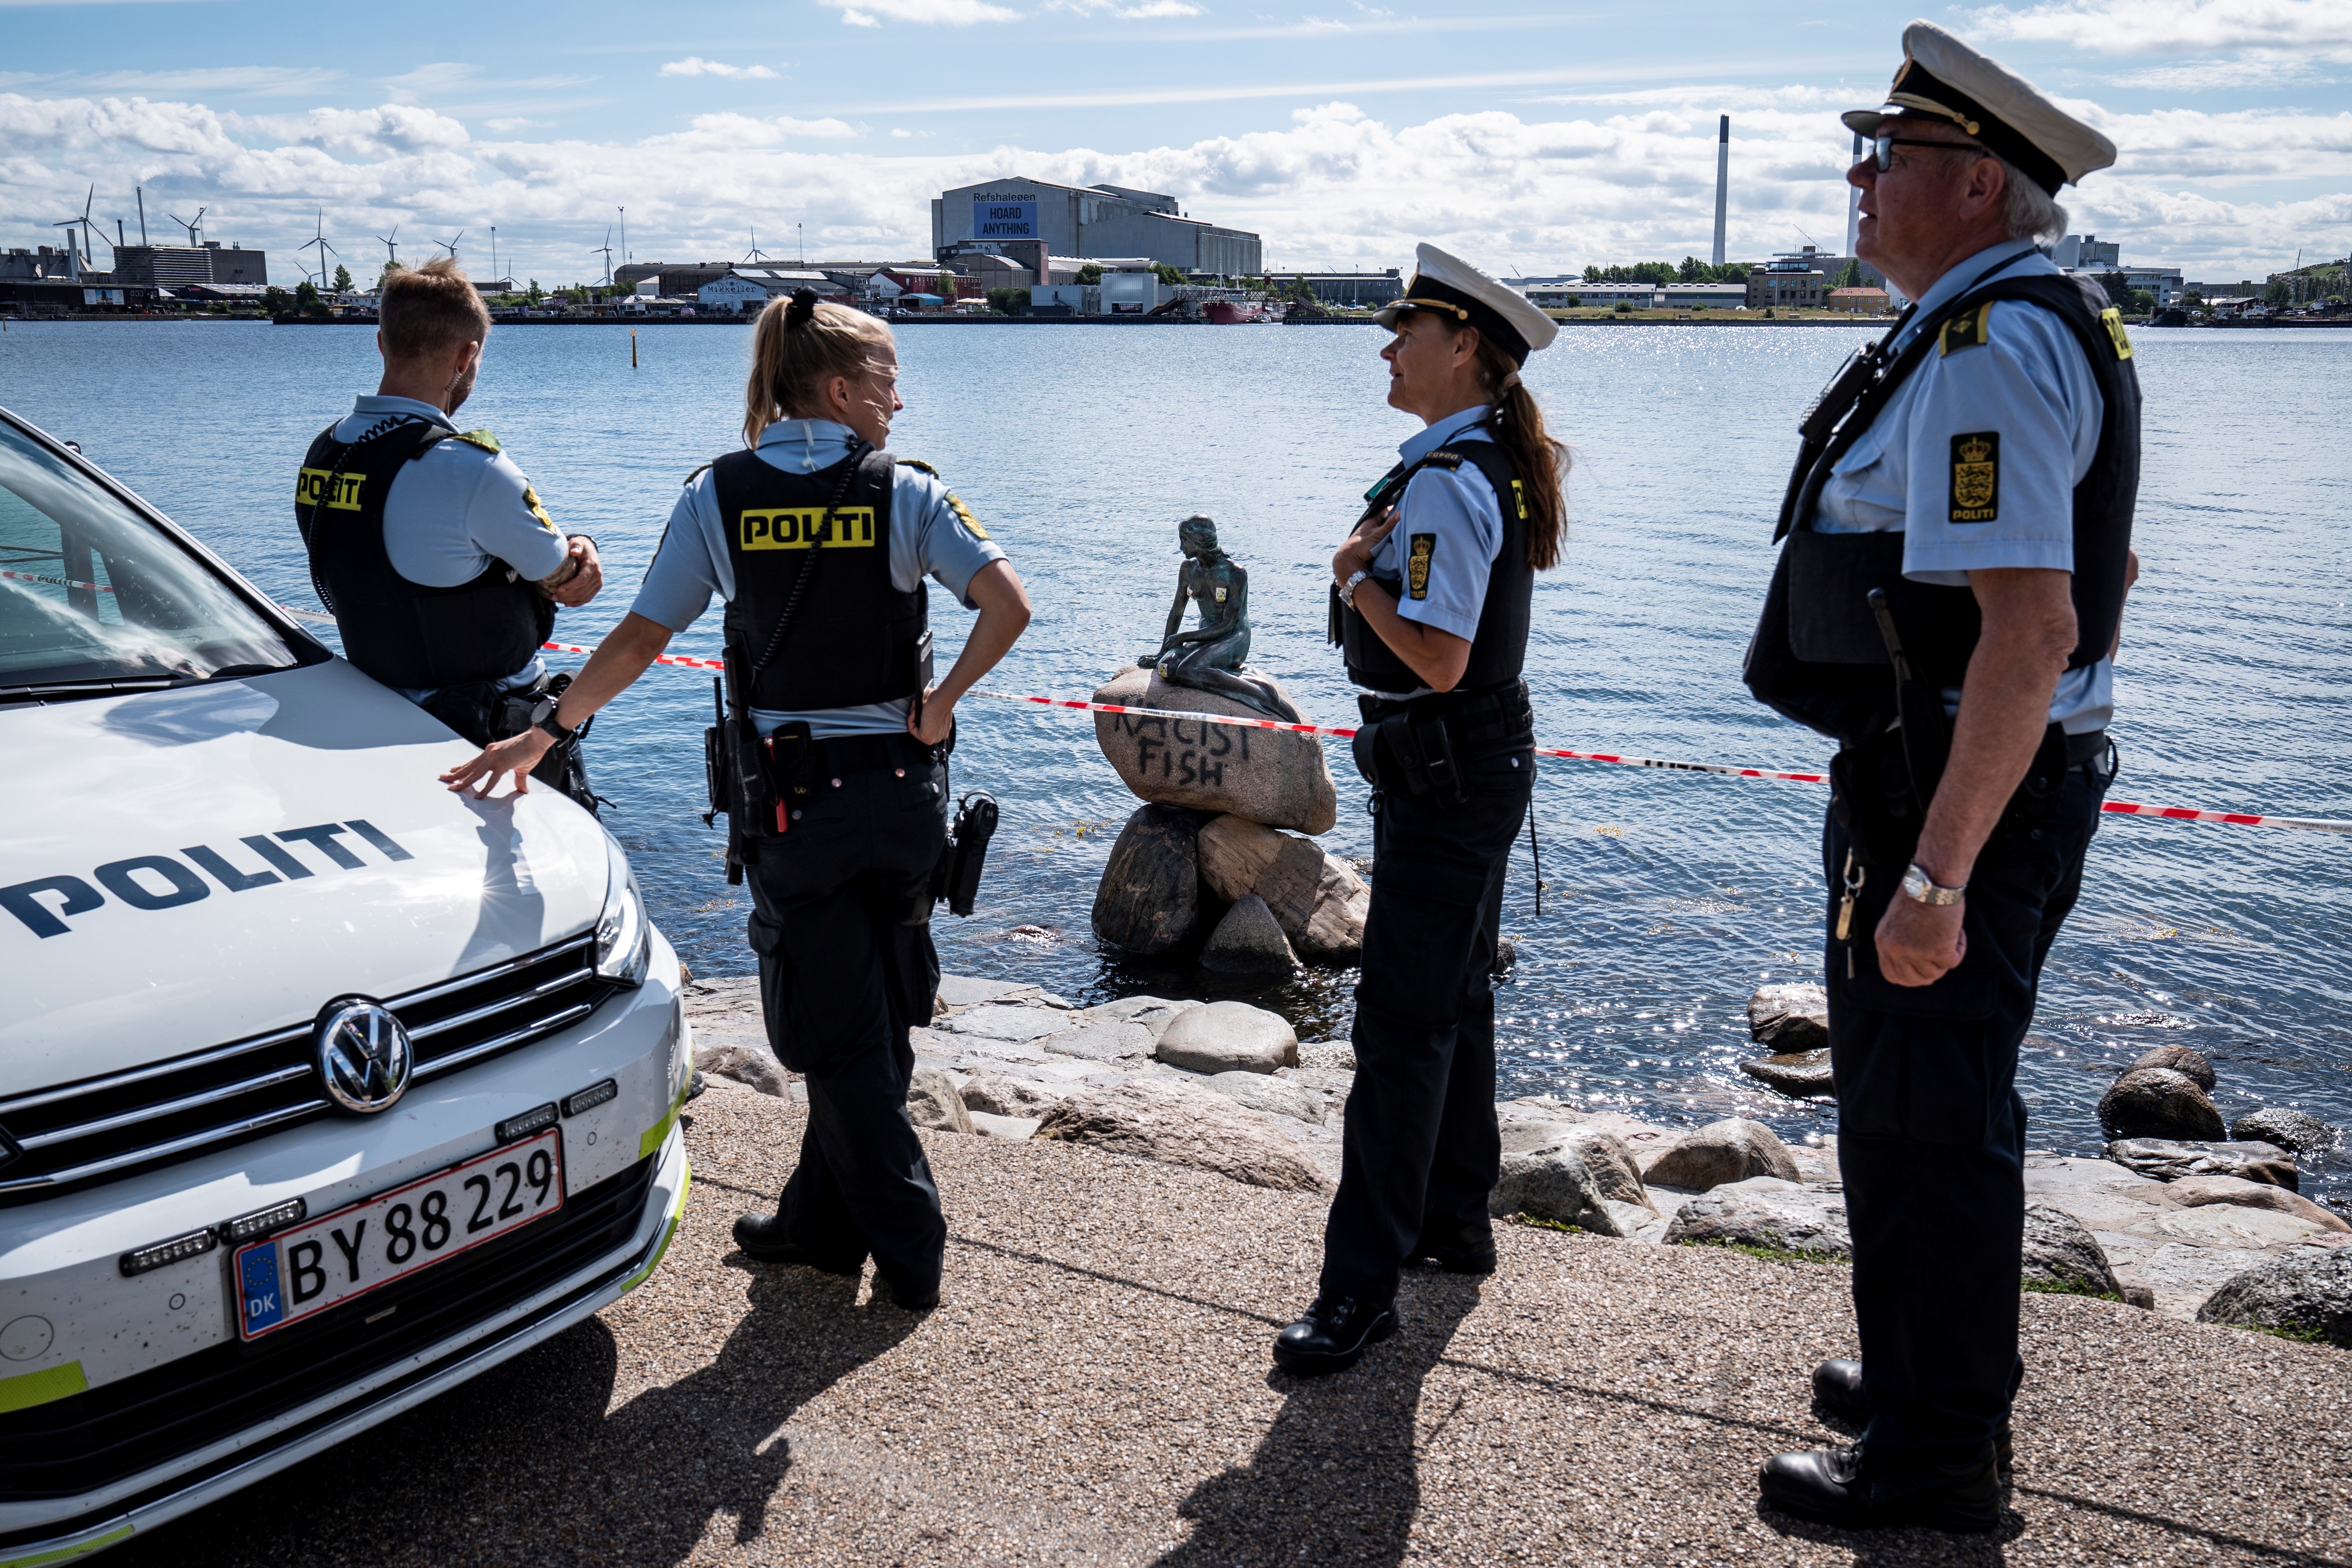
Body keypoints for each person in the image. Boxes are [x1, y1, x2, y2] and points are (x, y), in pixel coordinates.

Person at [1742, 20, 2142, 1532]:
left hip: (1954, 798)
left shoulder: (1988, 350)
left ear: (1974, 183)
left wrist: (1933, 876)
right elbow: (2090, 579)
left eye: (1884, 157)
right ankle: (1922, 1373)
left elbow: (2027, 625)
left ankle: (1931, 1466)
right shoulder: (2008, 327)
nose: (1856, 179)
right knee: (1907, 1106)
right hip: (1949, 776)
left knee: (1927, 1117)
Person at [440, 290, 1031, 1311]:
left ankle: (909, 1239)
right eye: (887, 381)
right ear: (839, 390)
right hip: (902, 802)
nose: (898, 399)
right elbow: (1007, 605)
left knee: (833, 1027)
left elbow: (636, 638)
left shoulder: (718, 496)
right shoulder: (908, 492)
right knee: (876, 1006)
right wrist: (937, 705)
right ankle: (816, 1225)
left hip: (795, 807)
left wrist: (552, 727)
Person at [1272, 244, 1567, 1376]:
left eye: (1407, 333)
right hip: (1469, 763)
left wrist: (1354, 578)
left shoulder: (1448, 478)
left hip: (1447, 758)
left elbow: (1438, 657)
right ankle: (1453, 1221)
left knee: (1401, 1025)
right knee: (1457, 998)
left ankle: (1358, 1291)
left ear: (1466, 348)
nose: (1388, 348)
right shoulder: (1482, 458)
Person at [296, 257, 606, 805]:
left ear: (382, 344)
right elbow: (567, 583)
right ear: (466, 358)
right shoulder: (469, 467)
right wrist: (586, 549)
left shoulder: (325, 454)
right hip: (486, 743)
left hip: (374, 722)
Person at [1140, 513, 1300, 721]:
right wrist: (1162, 651)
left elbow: (1228, 624)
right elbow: (1177, 611)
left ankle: (1261, 693)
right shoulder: (1188, 569)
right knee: (1166, 668)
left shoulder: (1235, 573)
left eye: (1185, 541)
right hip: (1205, 637)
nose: (1181, 547)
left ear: (1200, 541)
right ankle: (1223, 675)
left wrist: (1183, 637)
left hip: (1233, 638)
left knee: (1188, 671)